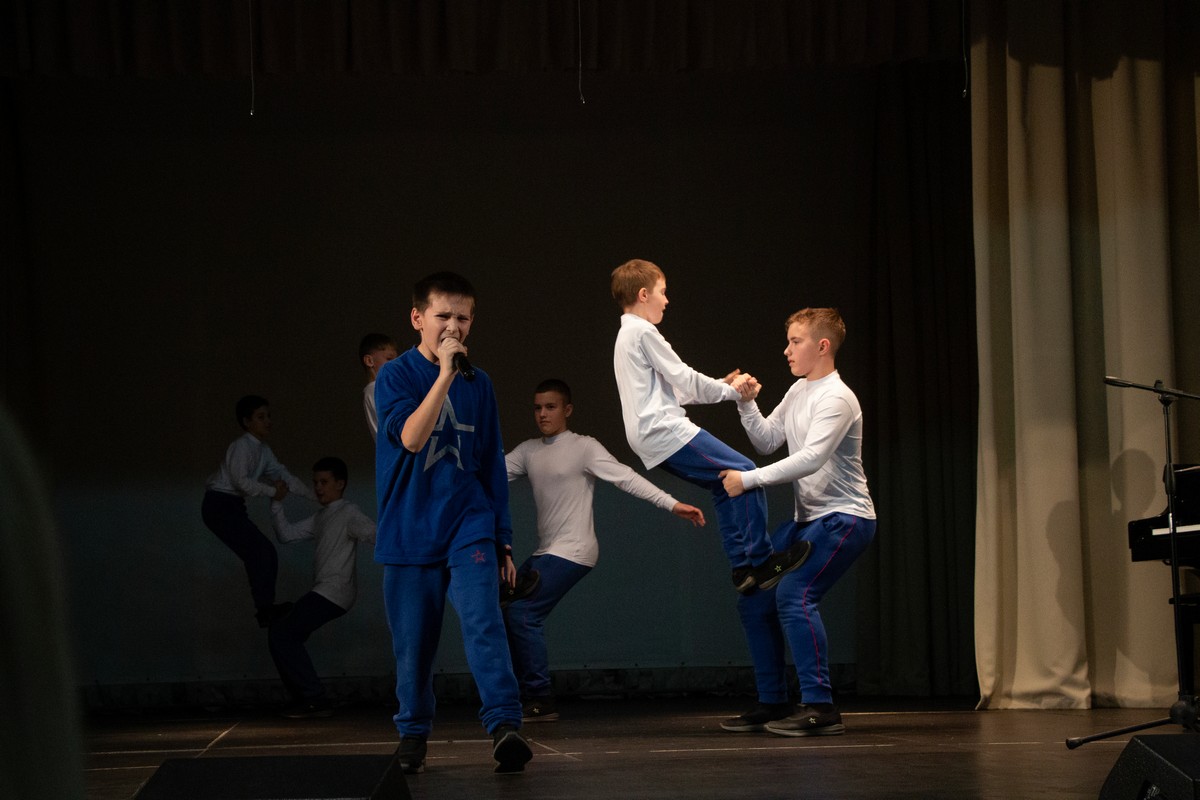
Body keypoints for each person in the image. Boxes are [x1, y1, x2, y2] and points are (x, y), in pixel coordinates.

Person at [374, 271, 532, 775]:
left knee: (485, 622)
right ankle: (412, 734)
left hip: (469, 523)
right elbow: (412, 438)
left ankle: (505, 726)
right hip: (409, 530)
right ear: (417, 318)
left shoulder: (479, 384)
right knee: (414, 645)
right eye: (442, 316)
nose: (453, 327)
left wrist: (503, 539)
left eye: (462, 318)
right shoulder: (395, 377)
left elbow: (490, 464)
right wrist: (444, 374)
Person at [504, 378, 707, 722]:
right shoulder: (528, 451)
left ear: (567, 410)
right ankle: (514, 695)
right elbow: (489, 475)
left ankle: (540, 698)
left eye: (551, 407)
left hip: (574, 551)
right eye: (537, 408)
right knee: (504, 608)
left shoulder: (584, 447)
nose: (543, 414)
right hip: (546, 551)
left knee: (523, 614)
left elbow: (625, 477)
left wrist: (671, 503)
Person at [718, 308, 876, 737]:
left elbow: (811, 459)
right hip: (807, 520)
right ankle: (772, 701)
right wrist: (746, 402)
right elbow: (767, 439)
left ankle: (820, 707)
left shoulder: (837, 398)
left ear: (822, 346)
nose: (786, 350)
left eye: (795, 342)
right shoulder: (798, 390)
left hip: (845, 518)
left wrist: (747, 479)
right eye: (788, 341)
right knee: (755, 599)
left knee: (795, 594)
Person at [610, 258, 811, 593]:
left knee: (724, 484)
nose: (666, 300)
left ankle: (742, 569)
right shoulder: (643, 332)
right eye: (663, 292)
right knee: (745, 473)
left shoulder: (625, 336)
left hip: (649, 435)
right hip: (663, 430)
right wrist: (733, 392)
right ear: (643, 294)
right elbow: (685, 377)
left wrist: (722, 385)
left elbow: (675, 391)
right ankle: (762, 562)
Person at [268, 456, 377, 719]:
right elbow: (286, 535)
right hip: (325, 591)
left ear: (340, 484)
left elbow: (375, 534)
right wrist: (277, 503)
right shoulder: (321, 516)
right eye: (315, 482)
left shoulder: (349, 512)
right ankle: (307, 698)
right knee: (282, 634)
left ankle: (314, 698)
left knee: (282, 634)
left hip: (334, 592)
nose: (317, 488)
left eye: (324, 482)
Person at [201, 395, 316, 628]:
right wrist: (273, 492)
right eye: (261, 417)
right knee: (260, 552)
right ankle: (265, 610)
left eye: (268, 416)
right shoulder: (241, 446)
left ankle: (266, 608)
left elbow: (283, 475)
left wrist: (315, 497)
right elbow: (241, 482)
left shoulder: (263, 451)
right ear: (246, 422)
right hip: (219, 504)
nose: (268, 421)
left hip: (232, 505)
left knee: (266, 553)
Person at [359, 333, 399, 441]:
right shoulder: (377, 390)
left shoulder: (377, 390)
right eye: (389, 359)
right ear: (369, 361)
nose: (396, 364)